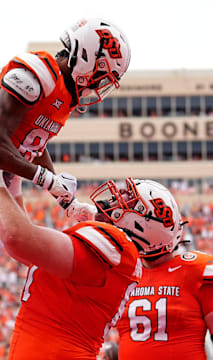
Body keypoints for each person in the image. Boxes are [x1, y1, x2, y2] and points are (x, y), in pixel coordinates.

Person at [0, 174, 185, 359]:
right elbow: (22, 245)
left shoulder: (117, 246)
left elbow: (18, 238)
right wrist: (14, 181)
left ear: (141, 222)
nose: (119, 193)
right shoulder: (121, 255)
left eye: (130, 197)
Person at [0, 17, 130, 218]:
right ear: (87, 59)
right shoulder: (36, 77)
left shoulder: (65, 94)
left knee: (18, 240)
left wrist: (68, 202)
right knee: (18, 237)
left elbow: (34, 145)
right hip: (4, 162)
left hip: (8, 169)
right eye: (101, 77)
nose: (98, 86)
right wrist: (45, 179)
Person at [115, 184, 213, 360]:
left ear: (151, 226)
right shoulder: (124, 271)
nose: (121, 227)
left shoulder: (196, 268)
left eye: (129, 221)